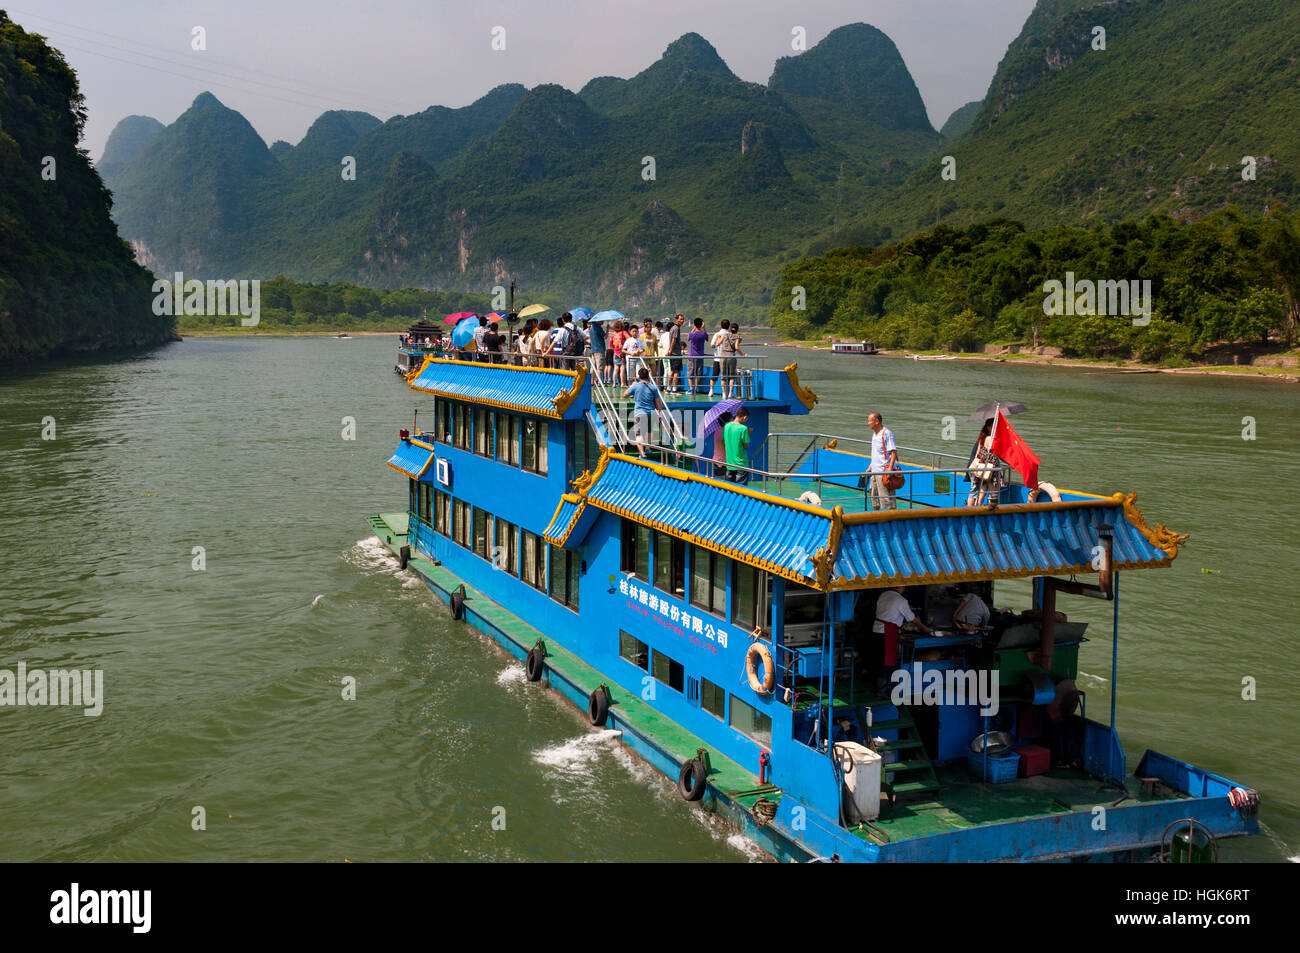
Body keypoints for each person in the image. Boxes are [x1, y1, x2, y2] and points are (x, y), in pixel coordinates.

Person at [873, 585, 933, 694]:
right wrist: (925, 628)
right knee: (887, 661)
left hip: (877, 629)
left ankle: (882, 688)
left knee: (879, 659)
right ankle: (882, 691)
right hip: (887, 631)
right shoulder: (901, 600)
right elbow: (911, 618)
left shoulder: (883, 594)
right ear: (901, 587)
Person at [623, 367, 663, 458]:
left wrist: (631, 386)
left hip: (640, 413)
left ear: (639, 376)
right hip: (651, 413)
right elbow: (657, 402)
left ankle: (642, 453)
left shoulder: (636, 386)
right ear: (648, 376)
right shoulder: (653, 387)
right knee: (649, 432)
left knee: (639, 433)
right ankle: (648, 448)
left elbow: (625, 395)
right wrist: (660, 414)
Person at [966, 418, 1007, 506]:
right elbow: (999, 454)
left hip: (982, 466)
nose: (996, 429)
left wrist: (980, 461)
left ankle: (974, 507)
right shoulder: (991, 439)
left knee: (980, 489)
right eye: (994, 427)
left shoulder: (982, 436)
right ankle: (990, 507)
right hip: (990, 467)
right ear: (988, 427)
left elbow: (978, 452)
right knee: (991, 489)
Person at [867, 411, 899, 511]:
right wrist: (870, 467)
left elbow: (893, 452)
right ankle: (876, 516)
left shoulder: (887, 434)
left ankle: (890, 519)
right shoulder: (874, 434)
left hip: (883, 472)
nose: (868, 423)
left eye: (870, 421)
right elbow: (876, 453)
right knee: (874, 496)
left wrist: (889, 469)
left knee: (886, 498)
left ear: (877, 421)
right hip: (874, 472)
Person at [723, 407, 751, 483]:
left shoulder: (726, 426)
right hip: (741, 464)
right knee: (741, 489)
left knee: (730, 488)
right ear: (745, 417)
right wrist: (748, 434)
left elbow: (725, 440)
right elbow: (746, 445)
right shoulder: (743, 428)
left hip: (729, 463)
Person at [720, 321, 742, 398]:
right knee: (731, 376)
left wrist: (719, 338)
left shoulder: (724, 335)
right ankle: (730, 393)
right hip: (731, 356)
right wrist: (742, 354)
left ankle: (724, 394)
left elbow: (717, 343)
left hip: (723, 356)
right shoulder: (738, 337)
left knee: (723, 376)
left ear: (730, 328)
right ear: (737, 329)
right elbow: (736, 347)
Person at [708, 320, 730, 397]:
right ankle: (724, 393)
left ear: (721, 326)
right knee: (724, 376)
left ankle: (711, 390)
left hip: (717, 358)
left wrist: (717, 345)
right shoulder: (730, 335)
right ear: (728, 326)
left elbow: (712, 345)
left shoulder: (717, 334)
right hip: (727, 358)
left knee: (714, 375)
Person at [687, 317, 708, 392]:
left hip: (692, 356)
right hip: (700, 356)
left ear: (695, 325)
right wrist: (704, 328)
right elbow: (707, 338)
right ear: (701, 324)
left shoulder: (692, 334)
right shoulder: (703, 334)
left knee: (690, 373)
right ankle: (695, 388)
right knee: (698, 373)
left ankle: (691, 388)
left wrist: (693, 328)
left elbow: (688, 338)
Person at [666, 313, 685, 392]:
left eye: (683, 319)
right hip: (676, 354)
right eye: (680, 319)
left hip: (673, 353)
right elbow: (673, 340)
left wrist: (669, 350)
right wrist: (670, 350)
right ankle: (674, 389)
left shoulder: (673, 328)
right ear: (676, 320)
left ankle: (668, 388)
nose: (682, 321)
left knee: (672, 371)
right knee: (676, 372)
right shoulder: (676, 328)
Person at [711, 411, 732, 479]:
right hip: (722, 463)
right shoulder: (725, 432)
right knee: (722, 485)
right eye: (731, 419)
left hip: (717, 461)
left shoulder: (718, 431)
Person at [588, 316, 608, 382]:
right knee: (600, 367)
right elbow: (605, 337)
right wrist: (607, 329)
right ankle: (599, 382)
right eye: (601, 320)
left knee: (593, 366)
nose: (603, 321)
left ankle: (591, 381)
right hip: (600, 350)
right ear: (597, 321)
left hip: (593, 349)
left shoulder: (591, 328)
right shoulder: (598, 328)